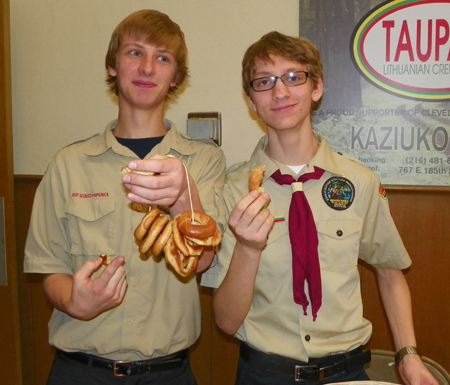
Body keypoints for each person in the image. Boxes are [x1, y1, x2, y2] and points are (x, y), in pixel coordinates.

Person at [201, 31, 438, 385]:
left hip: (347, 371)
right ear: (251, 101)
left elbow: (390, 273)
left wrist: (409, 355)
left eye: (294, 77)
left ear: (316, 88)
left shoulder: (360, 181)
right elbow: (226, 321)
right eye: (264, 82)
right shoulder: (232, 189)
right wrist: (249, 247)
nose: (280, 92)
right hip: (264, 373)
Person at [24, 9, 226, 385]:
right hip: (79, 370)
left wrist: (183, 195)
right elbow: (49, 266)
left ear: (176, 77)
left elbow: (203, 262)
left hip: (168, 372)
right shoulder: (68, 163)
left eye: (162, 58)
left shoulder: (204, 161)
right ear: (112, 66)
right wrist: (72, 301)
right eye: (135, 53)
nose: (148, 68)